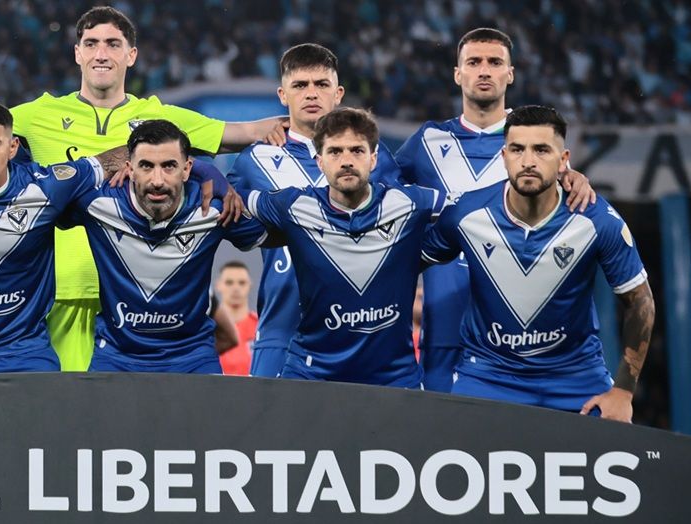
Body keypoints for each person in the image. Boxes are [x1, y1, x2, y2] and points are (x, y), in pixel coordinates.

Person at [0, 6, 285, 373]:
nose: (101, 53)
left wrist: (217, 162)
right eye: (91, 43)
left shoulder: (161, 118)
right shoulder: (38, 114)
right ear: (77, 53)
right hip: (62, 294)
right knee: (67, 429)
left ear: (131, 55)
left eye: (113, 44)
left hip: (138, 299)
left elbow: (247, 130)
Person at [421, 106, 653, 421]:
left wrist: (623, 391)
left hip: (576, 378)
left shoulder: (598, 220)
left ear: (563, 159)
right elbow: (402, 265)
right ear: (504, 156)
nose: (528, 161)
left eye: (541, 150)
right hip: (489, 376)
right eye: (517, 149)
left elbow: (640, 301)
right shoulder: (467, 215)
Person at [395, 28, 594, 392]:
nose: (484, 70)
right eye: (474, 62)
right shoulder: (427, 141)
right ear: (458, 74)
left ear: (510, 73)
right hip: (445, 332)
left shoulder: (533, 141)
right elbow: (370, 187)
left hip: (521, 337)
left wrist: (576, 176)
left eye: (494, 62)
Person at [228, 43, 401, 378]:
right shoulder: (253, 161)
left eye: (321, 85)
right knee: (275, 430)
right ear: (283, 94)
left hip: (362, 332)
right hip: (282, 332)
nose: (311, 93)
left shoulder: (372, 160)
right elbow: (230, 223)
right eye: (300, 85)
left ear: (338, 93)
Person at [244, 108, 445, 387]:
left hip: (394, 377)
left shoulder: (411, 202)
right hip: (312, 371)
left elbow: (467, 211)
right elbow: (236, 202)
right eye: (335, 152)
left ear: (374, 159)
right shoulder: (293, 205)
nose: (347, 160)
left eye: (357, 151)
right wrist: (209, 176)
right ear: (319, 161)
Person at [59, 120, 265, 373]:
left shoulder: (214, 207)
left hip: (192, 359)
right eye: (146, 166)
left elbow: (277, 234)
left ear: (187, 168)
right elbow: (43, 195)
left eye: (169, 166)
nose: (157, 180)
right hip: (116, 359)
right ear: (129, 169)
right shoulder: (97, 203)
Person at [216, 261, 257, 376]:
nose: (236, 288)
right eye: (229, 283)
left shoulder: (261, 329)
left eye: (242, 283)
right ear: (218, 285)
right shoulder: (207, 329)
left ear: (250, 285)